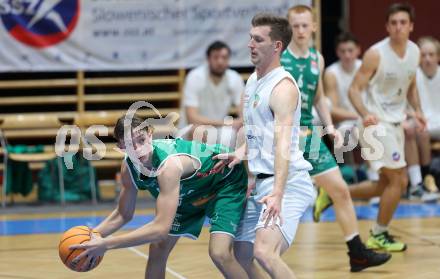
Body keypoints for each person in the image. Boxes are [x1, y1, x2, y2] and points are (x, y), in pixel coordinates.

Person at [69, 115, 249, 278]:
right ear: (121, 148)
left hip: (224, 181)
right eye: (131, 145)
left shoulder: (168, 166)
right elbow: (123, 214)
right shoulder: (128, 169)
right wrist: (90, 237)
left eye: (141, 140)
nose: (139, 150)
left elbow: (160, 229)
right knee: (158, 249)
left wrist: (106, 244)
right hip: (189, 193)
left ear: (150, 134)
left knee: (219, 253)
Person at [281, 4, 390, 271]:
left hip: (308, 134)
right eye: (295, 26)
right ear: (288, 28)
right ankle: (255, 251)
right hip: (282, 136)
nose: (301, 30)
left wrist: (329, 127)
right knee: (278, 197)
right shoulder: (279, 57)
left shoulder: (317, 58)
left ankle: (357, 253)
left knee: (340, 190)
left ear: (314, 27)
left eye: (305, 25)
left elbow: (318, 97)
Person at [213, 13, 316, 278]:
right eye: (250, 38)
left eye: (258, 40)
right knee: (242, 253)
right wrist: (241, 152)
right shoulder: (252, 81)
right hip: (261, 181)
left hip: (288, 183)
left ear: (277, 46)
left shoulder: (283, 88)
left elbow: (282, 145)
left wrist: (278, 194)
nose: (250, 44)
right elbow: (255, 131)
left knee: (264, 252)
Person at [347, 3, 426, 252]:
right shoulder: (375, 54)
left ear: (411, 26)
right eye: (393, 23)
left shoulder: (414, 52)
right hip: (374, 124)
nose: (398, 27)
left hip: (395, 123)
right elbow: (354, 89)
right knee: (399, 180)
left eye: (403, 22)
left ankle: (337, 193)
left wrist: (418, 110)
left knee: (385, 185)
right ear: (387, 27)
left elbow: (410, 86)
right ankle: (378, 234)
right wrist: (365, 114)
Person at [179, 40, 245, 148]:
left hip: (220, 128)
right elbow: (192, 118)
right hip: (193, 128)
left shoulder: (234, 78)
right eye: (216, 57)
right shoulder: (195, 77)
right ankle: (202, 164)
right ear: (208, 59)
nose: (220, 61)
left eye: (224, 57)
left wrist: (241, 123)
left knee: (244, 132)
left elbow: (243, 113)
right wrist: (226, 123)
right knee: (199, 132)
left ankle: (234, 165)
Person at [404, 36, 440, 197]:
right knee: (419, 130)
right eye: (423, 55)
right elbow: (403, 107)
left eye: (431, 55)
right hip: (420, 123)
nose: (427, 59)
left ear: (438, 56)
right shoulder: (411, 76)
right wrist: (415, 115)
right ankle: (425, 178)